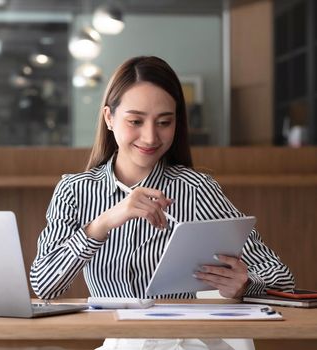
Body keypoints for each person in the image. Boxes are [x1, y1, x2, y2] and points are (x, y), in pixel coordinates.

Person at [29, 56, 295, 350]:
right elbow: (44, 286)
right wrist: (103, 223)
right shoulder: (74, 191)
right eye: (135, 121)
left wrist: (245, 285)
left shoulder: (195, 189)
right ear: (109, 118)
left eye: (164, 122)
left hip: (182, 343)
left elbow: (281, 279)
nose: (150, 136)